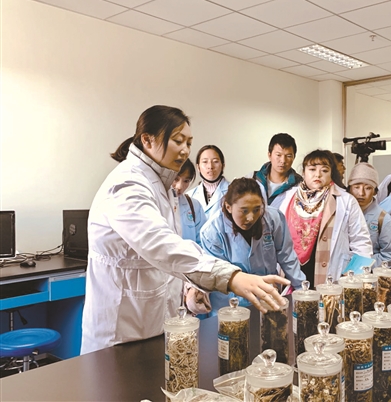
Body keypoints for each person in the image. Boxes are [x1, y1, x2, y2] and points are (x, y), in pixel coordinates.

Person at [81, 105, 288, 354]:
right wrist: (231, 277)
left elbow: (167, 260)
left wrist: (189, 288)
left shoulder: (162, 185)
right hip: (120, 332)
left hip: (155, 324)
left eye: (189, 142)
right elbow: (161, 246)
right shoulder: (128, 184)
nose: (185, 150)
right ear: (147, 140)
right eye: (178, 141)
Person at [200, 178, 306, 315]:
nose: (250, 217)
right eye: (244, 211)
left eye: (256, 209)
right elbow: (221, 275)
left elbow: (286, 256)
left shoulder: (273, 218)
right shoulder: (212, 232)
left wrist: (302, 290)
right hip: (230, 304)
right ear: (228, 207)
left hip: (268, 298)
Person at [279, 149, 373, 287]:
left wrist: (354, 277)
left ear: (331, 174)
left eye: (324, 170)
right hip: (293, 272)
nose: (318, 174)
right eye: (312, 169)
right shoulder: (288, 198)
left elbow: (361, 242)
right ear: (303, 172)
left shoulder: (346, 201)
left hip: (332, 275)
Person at [347, 163, 391, 268]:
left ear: (375, 191)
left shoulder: (384, 219)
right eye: (356, 187)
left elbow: (389, 256)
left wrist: (360, 265)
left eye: (368, 188)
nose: (361, 193)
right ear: (349, 189)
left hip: (367, 273)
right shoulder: (339, 213)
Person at [251, 133, 302, 209]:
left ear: (294, 157)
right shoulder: (252, 179)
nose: (283, 161)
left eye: (288, 156)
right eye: (278, 155)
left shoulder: (300, 186)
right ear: (269, 155)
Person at [187, 145, 230, 220]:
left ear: (223, 166)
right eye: (205, 162)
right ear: (198, 167)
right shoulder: (190, 196)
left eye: (215, 161)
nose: (210, 166)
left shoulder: (234, 192)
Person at [172, 159, 206, 246]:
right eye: (176, 179)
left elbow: (203, 241)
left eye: (186, 181)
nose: (180, 186)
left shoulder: (195, 206)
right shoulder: (156, 202)